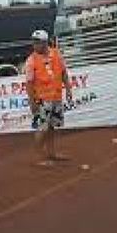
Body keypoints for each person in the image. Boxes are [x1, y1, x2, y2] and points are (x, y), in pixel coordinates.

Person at [25, 30, 73, 167]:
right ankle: (40, 157)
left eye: (38, 42)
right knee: (42, 128)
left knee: (51, 126)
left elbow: (64, 72)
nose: (35, 45)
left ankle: (52, 153)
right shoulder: (31, 60)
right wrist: (32, 102)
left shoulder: (56, 54)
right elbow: (28, 83)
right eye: (34, 42)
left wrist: (68, 89)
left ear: (45, 43)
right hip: (41, 99)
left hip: (56, 97)